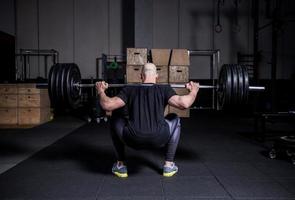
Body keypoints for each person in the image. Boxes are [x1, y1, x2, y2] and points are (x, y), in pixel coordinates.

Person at [96, 63, 199, 178]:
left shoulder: (129, 89)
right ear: (156, 76)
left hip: (132, 139)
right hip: (160, 137)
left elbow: (107, 105)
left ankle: (121, 165)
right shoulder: (164, 89)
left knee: (115, 117)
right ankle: (169, 165)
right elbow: (184, 103)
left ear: (141, 76)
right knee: (175, 118)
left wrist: (101, 91)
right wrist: (194, 90)